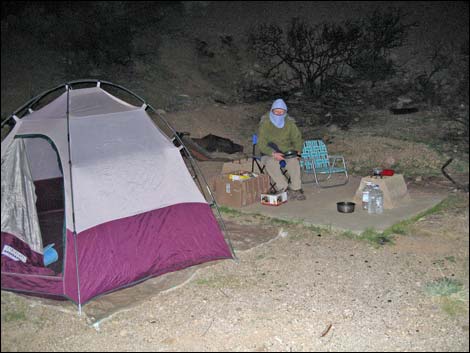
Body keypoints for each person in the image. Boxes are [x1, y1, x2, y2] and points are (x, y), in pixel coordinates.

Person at [257, 98, 306, 201]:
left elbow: (297, 138)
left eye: (281, 112)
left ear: (285, 112)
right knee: (271, 163)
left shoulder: (289, 124)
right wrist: (273, 153)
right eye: (276, 111)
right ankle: (284, 188)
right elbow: (261, 144)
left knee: (294, 162)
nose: (279, 114)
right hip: (269, 152)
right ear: (272, 111)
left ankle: (296, 189)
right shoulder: (265, 124)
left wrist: (298, 151)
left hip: (287, 152)